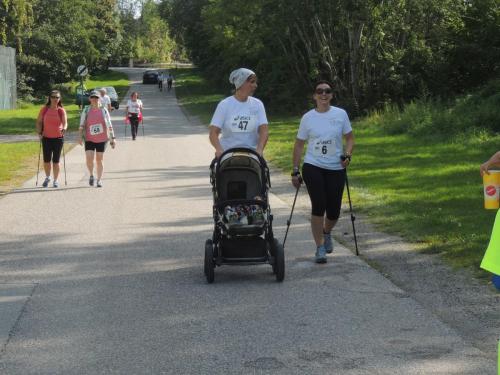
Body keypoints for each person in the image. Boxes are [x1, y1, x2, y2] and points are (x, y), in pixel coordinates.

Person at [291, 80, 355, 263]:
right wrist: (295, 170)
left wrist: (347, 155)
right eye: (320, 91)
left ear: (332, 95)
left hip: (336, 167)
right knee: (318, 205)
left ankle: (326, 232)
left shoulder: (340, 114)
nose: (323, 95)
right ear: (314, 96)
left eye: (327, 91)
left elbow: (350, 139)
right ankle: (319, 247)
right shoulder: (308, 118)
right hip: (313, 166)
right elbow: (299, 145)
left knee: (334, 211)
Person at [209, 68, 268, 159]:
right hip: (227, 154)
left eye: (255, 82)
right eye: (252, 82)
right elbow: (213, 132)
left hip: (252, 155)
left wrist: (259, 149)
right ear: (241, 83)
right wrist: (219, 149)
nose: (255, 85)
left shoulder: (258, 104)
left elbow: (264, 131)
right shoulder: (224, 105)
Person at [78, 90, 116, 188]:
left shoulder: (104, 110)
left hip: (102, 139)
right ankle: (91, 175)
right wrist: (79, 136)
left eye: (96, 97)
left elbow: (109, 124)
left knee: (99, 159)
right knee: (89, 159)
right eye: (93, 97)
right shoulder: (86, 109)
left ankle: (99, 180)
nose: (94, 99)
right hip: (89, 138)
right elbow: (81, 124)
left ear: (100, 99)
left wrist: (113, 138)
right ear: (90, 99)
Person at [35, 90, 68, 188]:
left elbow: (65, 122)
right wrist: (39, 132)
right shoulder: (44, 109)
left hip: (58, 138)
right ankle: (48, 177)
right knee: (46, 160)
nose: (55, 99)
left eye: (57, 97)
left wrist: (64, 128)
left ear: (59, 99)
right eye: (53, 97)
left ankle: (55, 180)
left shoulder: (61, 110)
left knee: (56, 161)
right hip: (46, 138)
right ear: (49, 98)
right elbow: (39, 122)